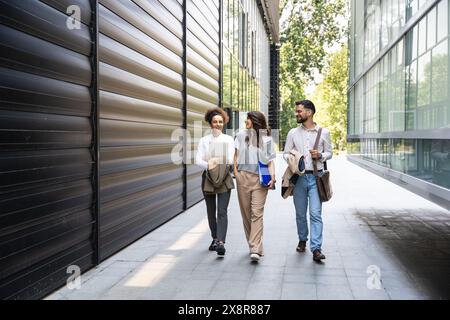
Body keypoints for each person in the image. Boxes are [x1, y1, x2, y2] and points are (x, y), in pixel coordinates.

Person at [284, 100, 333, 262]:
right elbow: (285, 153)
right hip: (299, 178)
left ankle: (316, 248)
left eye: (299, 111)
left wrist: (320, 156)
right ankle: (302, 239)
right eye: (296, 111)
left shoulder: (323, 132)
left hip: (316, 177)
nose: (296, 114)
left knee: (315, 213)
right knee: (300, 213)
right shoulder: (292, 133)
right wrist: (293, 159)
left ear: (309, 112)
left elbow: (329, 153)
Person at [234, 111, 276, 262]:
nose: (246, 121)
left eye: (249, 119)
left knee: (256, 213)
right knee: (246, 214)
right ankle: (254, 244)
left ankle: (255, 248)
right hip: (242, 177)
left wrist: (273, 176)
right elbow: (235, 156)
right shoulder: (240, 136)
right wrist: (236, 174)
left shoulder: (266, 139)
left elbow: (270, 161)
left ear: (256, 121)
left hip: (260, 180)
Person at [196, 108, 235, 256]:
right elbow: (198, 160)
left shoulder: (229, 140)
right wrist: (210, 165)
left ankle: (221, 242)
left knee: (222, 211)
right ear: (210, 124)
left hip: (224, 178)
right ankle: (214, 238)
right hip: (208, 179)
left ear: (223, 123)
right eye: (215, 122)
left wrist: (214, 160)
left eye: (220, 122)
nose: (218, 124)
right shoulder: (204, 140)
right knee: (211, 211)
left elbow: (231, 160)